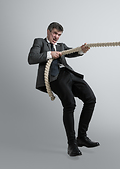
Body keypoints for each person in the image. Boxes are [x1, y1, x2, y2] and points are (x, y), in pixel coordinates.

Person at [28, 22, 99, 157]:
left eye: (59, 35)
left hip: (69, 74)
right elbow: (31, 58)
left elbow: (71, 52)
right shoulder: (39, 42)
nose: (56, 37)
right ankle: (72, 144)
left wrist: (81, 50)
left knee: (91, 99)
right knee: (70, 104)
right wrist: (50, 54)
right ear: (48, 31)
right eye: (54, 33)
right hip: (55, 77)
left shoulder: (61, 46)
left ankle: (82, 138)